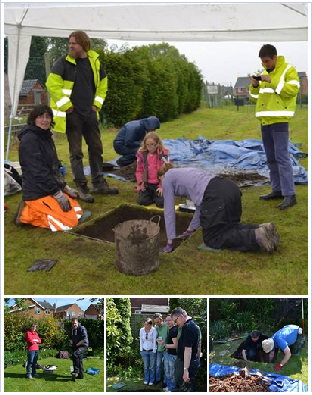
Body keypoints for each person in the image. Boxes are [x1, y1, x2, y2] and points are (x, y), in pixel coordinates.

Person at [46, 30, 118, 203]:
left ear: (83, 44)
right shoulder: (63, 62)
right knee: (76, 152)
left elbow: (103, 85)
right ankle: (82, 187)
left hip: (90, 114)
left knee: (96, 148)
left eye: (74, 43)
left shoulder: (95, 62)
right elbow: (51, 84)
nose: (71, 46)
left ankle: (99, 183)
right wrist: (67, 106)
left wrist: (96, 105)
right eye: (69, 43)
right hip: (72, 116)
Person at [158, 163, 280, 253]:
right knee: (228, 227)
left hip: (216, 196)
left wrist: (170, 240)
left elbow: (169, 211)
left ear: (162, 176)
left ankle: (257, 235)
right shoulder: (185, 172)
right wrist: (191, 229)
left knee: (212, 238)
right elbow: (201, 205)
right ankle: (264, 228)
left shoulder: (167, 179)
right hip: (230, 189)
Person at [16, 105, 84, 231]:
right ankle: (27, 212)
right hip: (36, 191)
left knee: (76, 209)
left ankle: (43, 208)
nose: (45, 120)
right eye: (41, 117)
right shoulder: (29, 140)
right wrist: (57, 193)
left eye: (48, 117)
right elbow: (38, 173)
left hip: (48, 187)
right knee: (69, 222)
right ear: (33, 119)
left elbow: (54, 167)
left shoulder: (46, 136)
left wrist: (64, 187)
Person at [249, 44, 299, 210]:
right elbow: (256, 97)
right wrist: (255, 86)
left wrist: (273, 80)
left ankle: (290, 195)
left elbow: (292, 90)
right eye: (263, 62)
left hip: (279, 120)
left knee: (282, 158)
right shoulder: (264, 73)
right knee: (271, 158)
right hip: (265, 122)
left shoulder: (288, 69)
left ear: (275, 57)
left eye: (267, 61)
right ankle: (277, 190)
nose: (264, 65)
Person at [135, 132, 169, 208]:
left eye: (152, 144)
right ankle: (153, 196)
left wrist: (161, 186)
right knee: (142, 202)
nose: (149, 147)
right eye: (147, 145)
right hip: (147, 184)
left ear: (157, 144)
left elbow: (166, 171)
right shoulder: (141, 155)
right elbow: (139, 170)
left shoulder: (162, 155)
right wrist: (141, 183)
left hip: (159, 184)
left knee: (161, 204)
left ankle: (158, 196)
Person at [171, 307, 200, 392]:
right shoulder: (194, 325)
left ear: (181, 316)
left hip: (187, 364)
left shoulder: (187, 328)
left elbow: (188, 350)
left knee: (186, 389)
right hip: (192, 363)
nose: (175, 324)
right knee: (189, 388)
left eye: (175, 321)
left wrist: (185, 370)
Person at [161, 315, 178, 392]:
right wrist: (163, 344)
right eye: (166, 320)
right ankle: (168, 386)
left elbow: (175, 345)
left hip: (173, 355)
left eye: (169, 320)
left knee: (172, 373)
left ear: (173, 321)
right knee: (167, 372)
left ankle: (172, 388)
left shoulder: (174, 330)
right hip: (168, 353)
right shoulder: (170, 330)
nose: (168, 322)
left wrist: (165, 345)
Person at [140, 318, 157, 386]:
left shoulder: (153, 330)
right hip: (144, 351)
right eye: (145, 324)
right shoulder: (141, 330)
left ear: (150, 325)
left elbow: (154, 341)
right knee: (146, 367)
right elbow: (141, 340)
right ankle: (146, 379)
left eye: (147, 324)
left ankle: (151, 380)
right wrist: (141, 350)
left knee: (152, 367)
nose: (146, 326)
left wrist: (154, 351)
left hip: (151, 351)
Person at [154, 313, 169, 387]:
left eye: (158, 322)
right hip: (158, 350)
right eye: (155, 322)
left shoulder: (167, 326)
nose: (156, 324)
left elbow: (170, 338)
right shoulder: (156, 327)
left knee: (166, 366)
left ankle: (165, 381)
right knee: (158, 365)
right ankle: (158, 379)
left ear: (161, 320)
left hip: (166, 349)